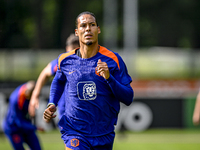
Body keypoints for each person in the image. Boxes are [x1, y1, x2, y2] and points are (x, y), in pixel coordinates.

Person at [43, 11, 134, 150]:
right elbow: (58, 81)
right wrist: (52, 102)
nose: (87, 29)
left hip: (103, 133)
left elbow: (128, 97)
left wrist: (109, 78)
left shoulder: (113, 60)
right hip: (75, 131)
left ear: (98, 30)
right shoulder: (65, 60)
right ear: (77, 32)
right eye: (83, 25)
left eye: (92, 25)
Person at [28, 34, 79, 119]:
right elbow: (45, 73)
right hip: (66, 110)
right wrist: (35, 95)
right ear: (67, 49)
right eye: (70, 52)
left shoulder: (88, 62)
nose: (72, 56)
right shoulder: (63, 62)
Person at [2, 81, 42, 150]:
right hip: (13, 128)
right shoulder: (15, 99)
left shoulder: (30, 89)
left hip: (26, 126)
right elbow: (18, 122)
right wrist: (35, 128)